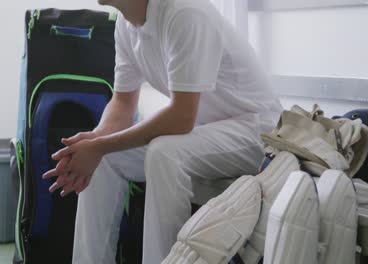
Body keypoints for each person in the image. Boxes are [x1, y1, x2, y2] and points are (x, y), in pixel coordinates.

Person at [42, 0, 282, 263]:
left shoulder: (184, 12)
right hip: (208, 128)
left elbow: (181, 117)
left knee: (164, 152)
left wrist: (99, 145)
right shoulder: (125, 23)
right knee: (104, 156)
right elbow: (123, 103)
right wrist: (95, 141)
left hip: (257, 132)